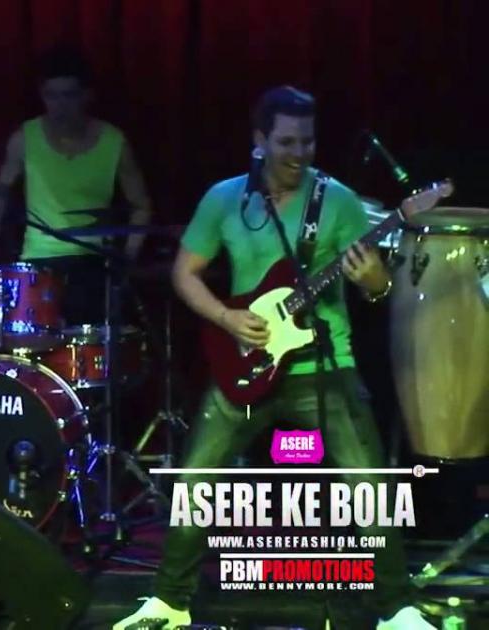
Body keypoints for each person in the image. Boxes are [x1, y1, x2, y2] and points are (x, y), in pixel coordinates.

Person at [114, 87, 434, 630]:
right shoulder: (224, 199)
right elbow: (184, 274)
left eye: (307, 141)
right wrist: (226, 317)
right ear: (259, 141)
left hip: (323, 366)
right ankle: (169, 603)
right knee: (195, 481)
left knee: (370, 487)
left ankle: (396, 609)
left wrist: (372, 279)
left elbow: (379, 288)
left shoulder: (338, 201)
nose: (299, 152)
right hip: (246, 364)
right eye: (286, 141)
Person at [0, 44, 153, 325]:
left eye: (68, 96)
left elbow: (141, 206)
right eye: (51, 96)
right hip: (38, 262)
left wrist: (128, 255)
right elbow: (2, 187)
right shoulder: (25, 137)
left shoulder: (114, 142)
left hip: (92, 262)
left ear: (87, 96)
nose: (59, 106)